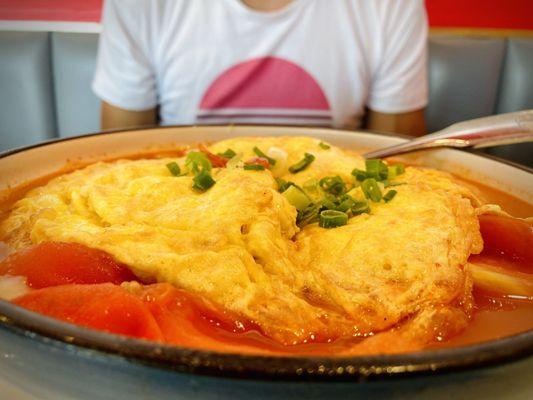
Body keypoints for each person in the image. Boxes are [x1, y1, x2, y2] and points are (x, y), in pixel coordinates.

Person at [93, 0, 428, 136]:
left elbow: (399, 160)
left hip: (339, 224)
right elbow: (120, 152)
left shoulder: (389, 5)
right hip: (177, 214)